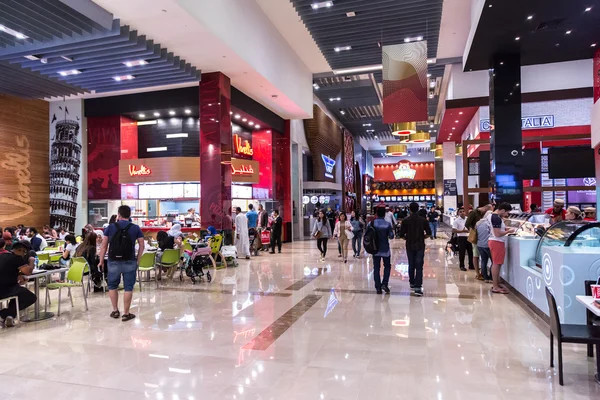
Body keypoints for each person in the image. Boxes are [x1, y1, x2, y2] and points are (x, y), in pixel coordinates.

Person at [98, 205, 144, 322]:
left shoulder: (110, 227)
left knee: (112, 286)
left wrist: (101, 260)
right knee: (128, 287)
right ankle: (126, 313)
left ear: (118, 214)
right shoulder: (135, 228)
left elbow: (104, 245)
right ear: (130, 215)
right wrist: (138, 259)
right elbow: (142, 245)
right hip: (130, 260)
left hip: (113, 260)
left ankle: (115, 310)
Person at [0, 241, 36, 328]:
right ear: (20, 250)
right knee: (31, 297)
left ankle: (9, 316)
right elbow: (28, 272)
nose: (24, 255)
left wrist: (18, 275)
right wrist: (31, 260)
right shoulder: (17, 258)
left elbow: (6, 270)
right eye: (24, 252)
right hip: (7, 289)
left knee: (20, 293)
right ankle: (4, 314)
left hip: (5, 287)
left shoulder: (3, 256)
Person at [400, 202, 431, 296]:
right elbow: (429, 233)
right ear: (418, 209)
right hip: (420, 245)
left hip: (409, 245)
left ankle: (412, 282)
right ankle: (418, 287)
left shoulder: (405, 220)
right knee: (419, 265)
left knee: (411, 264)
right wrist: (422, 237)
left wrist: (408, 238)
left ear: (409, 209)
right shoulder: (423, 220)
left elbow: (401, 235)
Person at [487, 202, 516, 294]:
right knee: (496, 264)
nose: (507, 215)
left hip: (494, 241)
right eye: (506, 213)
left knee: (497, 263)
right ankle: (495, 286)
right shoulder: (496, 218)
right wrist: (509, 231)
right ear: (502, 210)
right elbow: (497, 233)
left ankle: (496, 283)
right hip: (497, 242)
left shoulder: (492, 216)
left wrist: (505, 230)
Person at [465, 204, 493, 280]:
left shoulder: (484, 215)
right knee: (476, 255)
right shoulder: (474, 213)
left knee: (483, 258)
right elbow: (467, 224)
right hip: (476, 237)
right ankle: (478, 273)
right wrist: (473, 230)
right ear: (486, 208)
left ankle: (482, 273)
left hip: (481, 238)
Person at [372, 206, 394, 294]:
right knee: (387, 266)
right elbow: (391, 236)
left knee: (376, 267)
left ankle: (378, 287)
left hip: (375, 249)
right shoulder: (387, 224)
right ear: (385, 214)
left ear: (377, 214)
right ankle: (385, 283)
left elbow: (367, 234)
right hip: (385, 249)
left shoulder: (372, 223)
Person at [475, 210, 493, 283]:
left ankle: (485, 277)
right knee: (493, 262)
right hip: (488, 244)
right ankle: (492, 277)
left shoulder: (478, 223)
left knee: (483, 261)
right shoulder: (489, 224)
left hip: (480, 244)